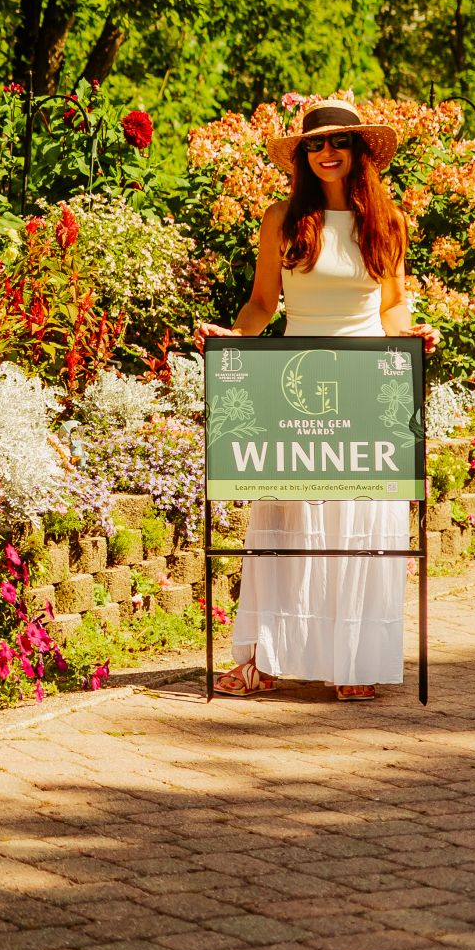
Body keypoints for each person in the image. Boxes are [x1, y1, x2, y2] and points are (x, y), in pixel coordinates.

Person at [196, 99, 437, 703]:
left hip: (365, 378)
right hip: (293, 381)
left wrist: (410, 333)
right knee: (285, 518)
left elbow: (390, 305)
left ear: (359, 152)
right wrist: (235, 338)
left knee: (361, 519)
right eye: (315, 145)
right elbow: (261, 304)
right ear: (304, 155)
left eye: (339, 144)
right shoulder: (283, 218)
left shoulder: (387, 220)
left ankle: (354, 661)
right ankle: (261, 660)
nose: (327, 154)